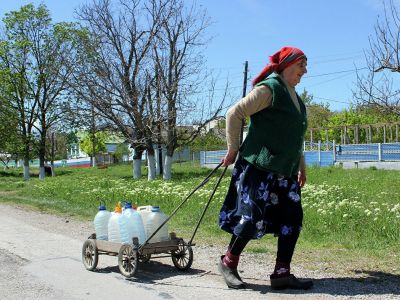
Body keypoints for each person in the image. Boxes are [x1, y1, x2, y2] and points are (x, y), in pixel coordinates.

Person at [217, 46, 313, 290]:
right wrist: (233, 149)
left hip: (286, 170)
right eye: (301, 64)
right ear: (288, 64)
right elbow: (234, 113)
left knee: (292, 219)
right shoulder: (270, 88)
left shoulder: (295, 98)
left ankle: (282, 274)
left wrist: (300, 164)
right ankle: (228, 263)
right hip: (258, 167)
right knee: (251, 219)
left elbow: (294, 136)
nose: (305, 71)